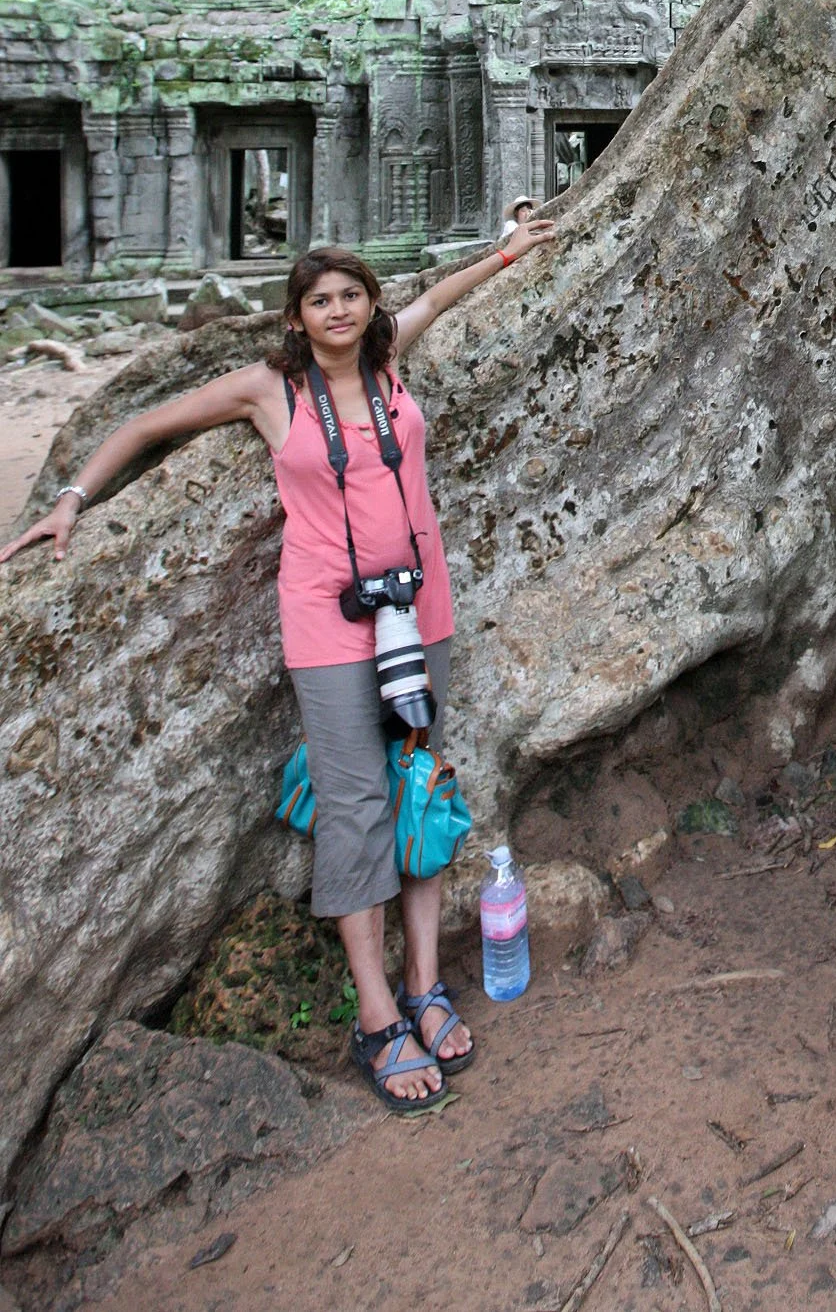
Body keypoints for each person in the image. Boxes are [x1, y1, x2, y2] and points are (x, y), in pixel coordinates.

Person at [1, 223, 559, 1109]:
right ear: (296, 318)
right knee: (354, 802)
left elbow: (439, 296)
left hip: (420, 609)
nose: (339, 311)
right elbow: (145, 424)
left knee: (419, 782)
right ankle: (376, 1014)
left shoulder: (388, 359)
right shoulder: (270, 389)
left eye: (351, 295)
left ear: (369, 305)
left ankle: (424, 984)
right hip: (328, 621)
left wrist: (506, 251)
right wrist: (72, 499)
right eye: (319, 300)